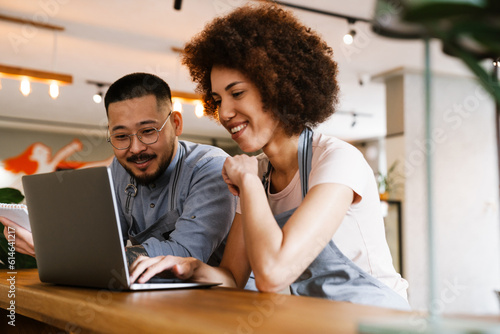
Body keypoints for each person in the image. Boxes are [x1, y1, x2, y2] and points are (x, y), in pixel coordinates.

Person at [130, 4, 410, 310]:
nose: (223, 113)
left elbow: (273, 275)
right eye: (217, 99)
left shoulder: (337, 161)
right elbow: (234, 278)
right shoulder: (258, 173)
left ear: (276, 86)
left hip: (381, 321)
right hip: (322, 323)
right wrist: (192, 268)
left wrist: (249, 183)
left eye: (237, 94)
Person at [0, 72, 236, 266]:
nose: (135, 149)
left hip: (224, 307)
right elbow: (104, 243)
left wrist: (62, 255)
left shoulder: (209, 166)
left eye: (148, 131)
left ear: (175, 124)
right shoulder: (121, 170)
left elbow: (186, 253)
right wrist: (50, 242)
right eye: (121, 136)